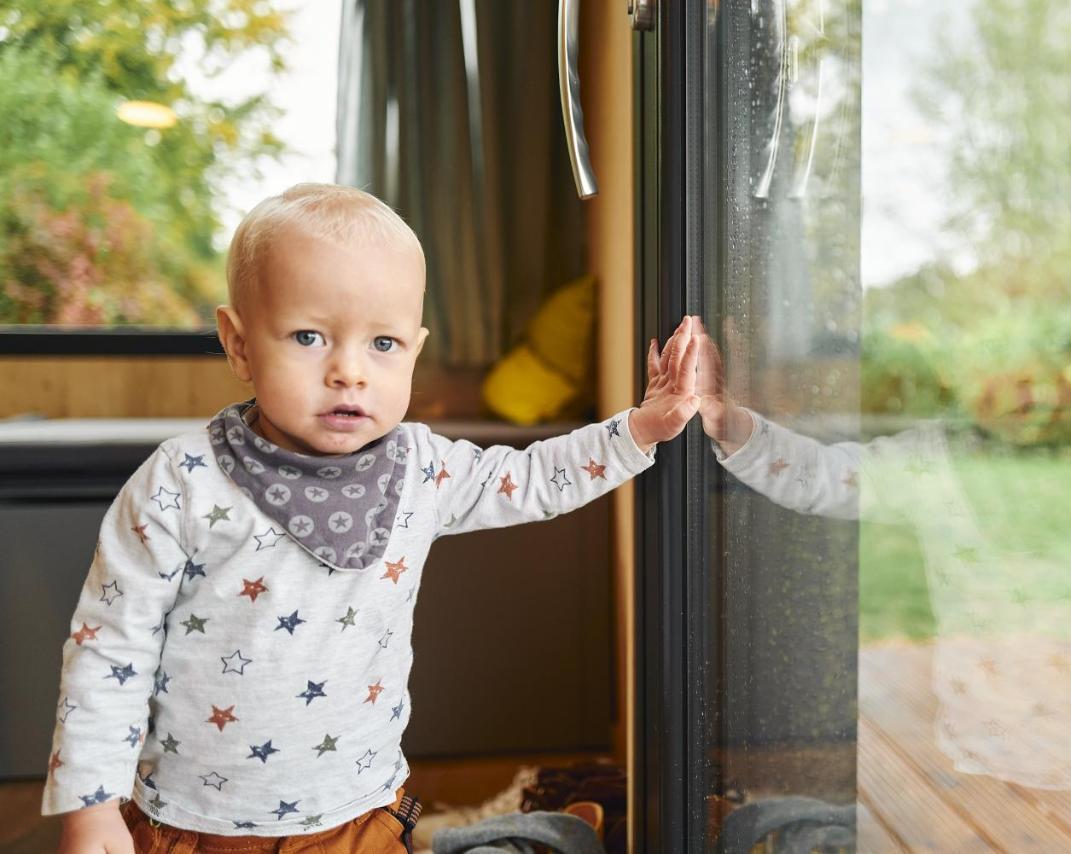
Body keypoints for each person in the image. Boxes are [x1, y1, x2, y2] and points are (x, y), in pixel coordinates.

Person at [42, 183, 702, 853]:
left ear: (414, 350)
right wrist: (90, 806)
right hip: (192, 825)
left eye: (383, 344)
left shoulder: (421, 468)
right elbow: (108, 648)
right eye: (309, 336)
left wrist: (639, 430)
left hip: (360, 816)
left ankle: (523, 839)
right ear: (238, 345)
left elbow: (531, 479)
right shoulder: (179, 483)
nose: (349, 371)